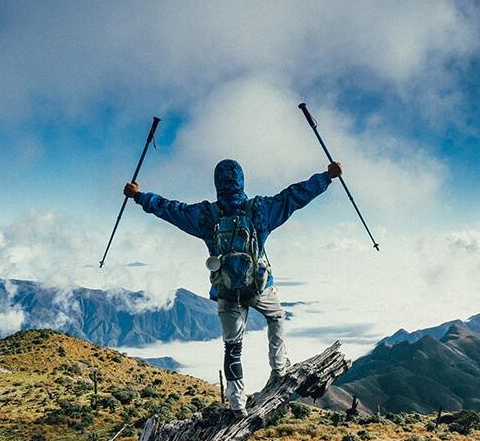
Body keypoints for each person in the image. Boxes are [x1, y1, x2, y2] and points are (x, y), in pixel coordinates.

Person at [125, 158, 341, 414]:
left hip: (227, 293)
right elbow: (295, 196)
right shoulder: (260, 210)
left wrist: (139, 197)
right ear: (242, 181)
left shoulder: (206, 216)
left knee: (233, 348)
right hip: (259, 288)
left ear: (217, 183)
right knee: (277, 317)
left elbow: (170, 209)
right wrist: (326, 177)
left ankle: (237, 404)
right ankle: (279, 368)